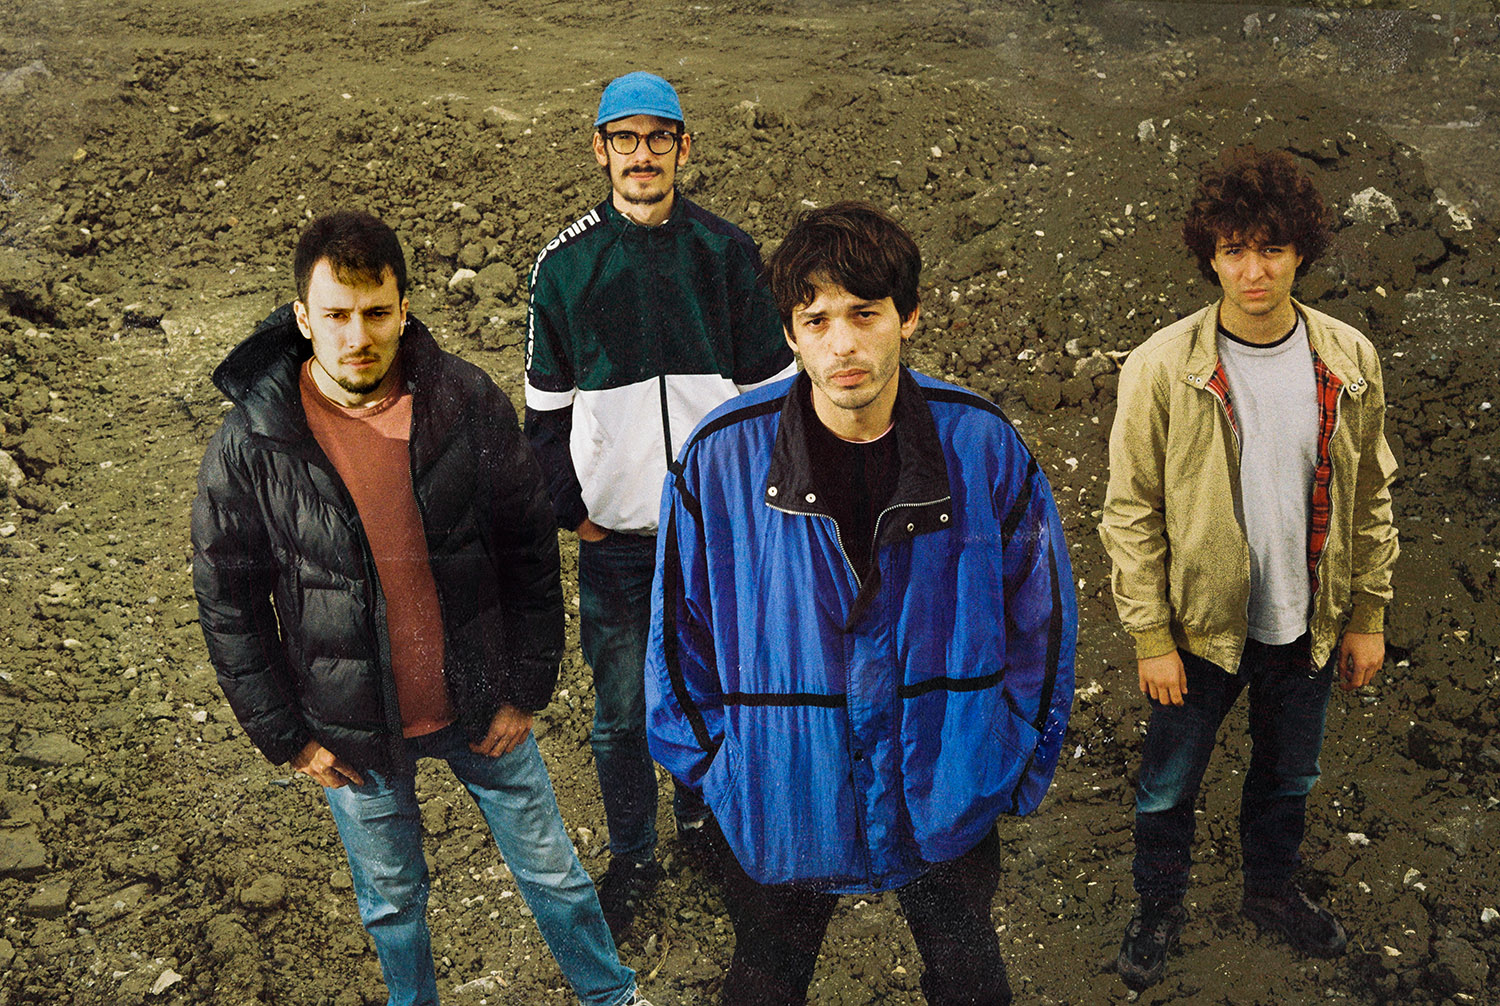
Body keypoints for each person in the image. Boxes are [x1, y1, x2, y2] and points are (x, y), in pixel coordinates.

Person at [191, 210, 651, 1006]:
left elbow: (528, 550)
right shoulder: (253, 441)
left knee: (554, 873)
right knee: (393, 905)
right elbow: (228, 603)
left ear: (404, 309)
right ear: (302, 317)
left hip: (480, 702)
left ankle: (611, 997)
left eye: (376, 313)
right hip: (353, 728)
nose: (357, 336)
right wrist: (288, 739)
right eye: (336, 315)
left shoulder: (465, 401)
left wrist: (524, 687)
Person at [645, 201, 1077, 1006]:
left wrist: (1006, 757)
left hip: (945, 783)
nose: (842, 344)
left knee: (971, 980)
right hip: (785, 790)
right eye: (817, 320)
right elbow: (677, 639)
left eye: (864, 314)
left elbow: (1042, 619)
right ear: (790, 334)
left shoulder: (981, 445)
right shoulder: (719, 459)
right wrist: (724, 775)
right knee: (765, 982)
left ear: (908, 317)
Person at [1100, 148, 1399, 991]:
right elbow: (1130, 511)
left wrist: (1368, 615)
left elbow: (1371, 495)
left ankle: (1271, 891)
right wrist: (1151, 637)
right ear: (1212, 255)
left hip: (1308, 620)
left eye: (1271, 249)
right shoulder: (1164, 366)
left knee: (1288, 775)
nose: (1254, 270)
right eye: (1234, 250)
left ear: (1301, 252)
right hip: (1199, 631)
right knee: (1167, 786)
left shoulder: (1348, 359)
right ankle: (1158, 907)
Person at [523, 70, 795, 936]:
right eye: (626, 139)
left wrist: (752, 512)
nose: (643, 155)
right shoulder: (565, 266)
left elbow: (774, 400)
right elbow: (544, 417)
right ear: (599, 149)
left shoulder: (727, 253)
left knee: (712, 688)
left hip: (715, 535)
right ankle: (633, 856)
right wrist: (578, 512)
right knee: (619, 712)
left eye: (659, 138)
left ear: (684, 147)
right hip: (619, 541)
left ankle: (703, 827)